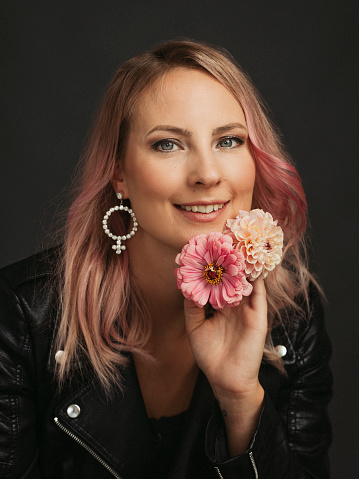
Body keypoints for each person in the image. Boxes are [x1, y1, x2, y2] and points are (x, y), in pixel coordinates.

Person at [0, 40, 332, 478]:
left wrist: (241, 401)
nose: (208, 174)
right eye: (168, 145)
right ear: (119, 172)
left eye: (229, 140)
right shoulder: (23, 317)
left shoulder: (293, 315)